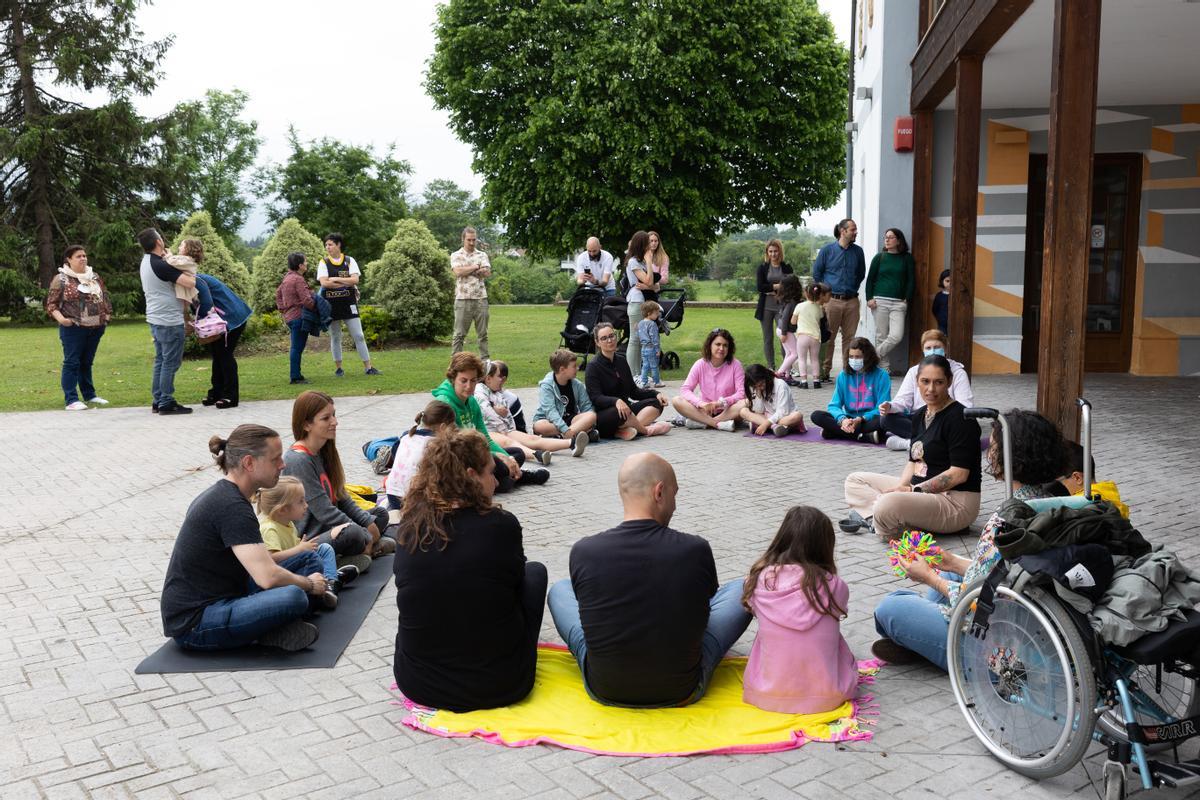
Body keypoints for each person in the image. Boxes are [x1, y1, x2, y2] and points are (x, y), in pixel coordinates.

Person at [547, 452, 751, 707]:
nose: (675, 506)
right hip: (682, 688)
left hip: (604, 688)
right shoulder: (694, 549)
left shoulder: (584, 550)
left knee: (559, 589)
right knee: (746, 588)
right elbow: (705, 609)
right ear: (659, 492)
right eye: (674, 495)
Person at [872, 410, 1067, 668]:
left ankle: (933, 646)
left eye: (994, 447)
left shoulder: (1006, 519)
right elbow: (1001, 573)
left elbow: (978, 599)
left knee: (891, 607)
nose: (989, 453)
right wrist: (951, 561)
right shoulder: (1053, 503)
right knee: (953, 573)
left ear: (1009, 457)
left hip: (997, 645)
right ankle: (924, 638)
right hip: (1029, 616)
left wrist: (929, 577)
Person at [392, 429, 548, 712]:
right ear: (470, 475)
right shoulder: (501, 524)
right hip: (500, 684)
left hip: (419, 683)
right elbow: (514, 583)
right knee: (535, 574)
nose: (496, 480)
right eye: (490, 472)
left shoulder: (409, 527)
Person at [160, 425, 331, 652]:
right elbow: (267, 577)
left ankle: (277, 623)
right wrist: (309, 584)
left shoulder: (229, 496)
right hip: (195, 622)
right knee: (295, 596)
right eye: (275, 459)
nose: (283, 465)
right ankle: (268, 630)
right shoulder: (231, 506)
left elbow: (263, 566)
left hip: (232, 591)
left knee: (309, 559)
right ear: (249, 463)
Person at [842, 355, 981, 540]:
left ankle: (881, 521)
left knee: (887, 504)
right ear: (917, 382)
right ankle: (880, 521)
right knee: (854, 481)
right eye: (925, 381)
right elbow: (913, 462)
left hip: (953, 502)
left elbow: (958, 474)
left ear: (949, 381)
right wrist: (901, 487)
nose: (931, 389)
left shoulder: (961, 419)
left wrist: (911, 492)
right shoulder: (919, 415)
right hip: (919, 491)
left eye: (938, 382)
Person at [741, 506, 857, 713]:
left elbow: (753, 609)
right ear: (825, 546)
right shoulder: (836, 586)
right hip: (829, 696)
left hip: (765, 694)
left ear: (782, 539)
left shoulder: (757, 580)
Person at [282, 391, 393, 569]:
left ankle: (364, 549)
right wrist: (365, 532)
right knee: (353, 532)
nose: (335, 421)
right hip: (311, 538)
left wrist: (368, 523)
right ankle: (348, 556)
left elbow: (342, 497)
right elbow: (324, 511)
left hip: (332, 527)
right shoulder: (298, 460)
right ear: (306, 425)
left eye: (334, 415)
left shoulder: (324, 450)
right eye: (326, 418)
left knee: (379, 514)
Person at [432, 352, 549, 490]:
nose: (469, 386)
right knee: (498, 464)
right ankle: (517, 477)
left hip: (475, 456)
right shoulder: (445, 404)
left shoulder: (472, 401)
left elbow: (485, 438)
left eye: (473, 380)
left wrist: (507, 458)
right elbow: (456, 449)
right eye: (463, 380)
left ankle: (499, 481)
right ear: (453, 379)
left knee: (517, 454)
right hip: (456, 461)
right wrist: (495, 457)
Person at [257, 476, 360, 610]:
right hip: (285, 574)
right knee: (312, 558)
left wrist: (302, 546)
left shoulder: (288, 524)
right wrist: (299, 549)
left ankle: (330, 582)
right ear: (282, 509)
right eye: (301, 501)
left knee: (325, 548)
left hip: (296, 562)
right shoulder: (269, 528)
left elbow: (293, 547)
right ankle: (330, 582)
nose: (306, 505)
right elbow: (271, 559)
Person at [879, 329, 974, 451]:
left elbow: (966, 406)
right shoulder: (914, 371)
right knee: (886, 419)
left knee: (965, 428)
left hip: (946, 419)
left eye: (937, 347)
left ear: (945, 349)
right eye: (928, 348)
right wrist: (890, 407)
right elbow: (903, 400)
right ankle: (932, 442)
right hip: (921, 419)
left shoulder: (958, 373)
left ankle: (910, 444)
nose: (932, 351)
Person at [475, 358, 583, 462]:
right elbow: (486, 410)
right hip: (489, 432)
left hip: (504, 429)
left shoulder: (497, 393)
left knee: (532, 439)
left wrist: (511, 429)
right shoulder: (479, 389)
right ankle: (536, 455)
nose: (502, 379)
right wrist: (503, 427)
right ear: (488, 379)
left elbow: (507, 413)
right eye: (499, 376)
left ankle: (571, 443)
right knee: (509, 442)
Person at [46, 244, 113, 411]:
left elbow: (104, 297)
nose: (83, 258)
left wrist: (107, 316)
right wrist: (62, 320)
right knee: (72, 362)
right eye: (78, 256)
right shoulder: (61, 279)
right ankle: (71, 399)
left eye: (84, 255)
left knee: (86, 363)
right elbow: (51, 304)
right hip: (73, 328)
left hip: (95, 327)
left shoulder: (94, 276)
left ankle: (90, 395)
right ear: (69, 259)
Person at [138, 227, 196, 415]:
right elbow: (190, 283)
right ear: (158, 242)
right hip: (169, 320)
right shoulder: (161, 266)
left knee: (161, 360)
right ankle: (166, 401)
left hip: (155, 317)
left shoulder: (147, 261)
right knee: (170, 362)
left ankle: (158, 399)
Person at [585, 323, 671, 440]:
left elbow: (634, 391)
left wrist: (657, 394)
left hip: (627, 411)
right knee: (621, 413)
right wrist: (616, 401)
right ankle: (645, 430)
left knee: (656, 403)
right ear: (597, 342)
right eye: (604, 338)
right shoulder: (593, 366)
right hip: (606, 414)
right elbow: (595, 397)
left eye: (612, 336)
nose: (610, 340)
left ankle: (628, 430)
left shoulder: (621, 360)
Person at [318, 232, 380, 377]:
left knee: (359, 335)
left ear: (338, 245)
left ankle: (368, 367)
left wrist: (334, 279)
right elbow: (324, 283)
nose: (327, 247)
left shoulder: (349, 260)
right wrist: (343, 281)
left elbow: (355, 281)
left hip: (349, 304)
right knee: (335, 336)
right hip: (331, 305)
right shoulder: (323, 262)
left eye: (330, 244)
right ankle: (339, 368)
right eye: (326, 245)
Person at [812, 219, 867, 382]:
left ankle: (847, 371)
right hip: (832, 301)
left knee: (849, 339)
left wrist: (851, 288)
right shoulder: (827, 251)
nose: (855, 232)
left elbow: (860, 274)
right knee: (828, 337)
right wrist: (826, 293)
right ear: (843, 231)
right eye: (853, 229)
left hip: (852, 301)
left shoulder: (858, 252)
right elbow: (817, 274)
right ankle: (824, 371)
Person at [810, 337, 891, 443]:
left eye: (858, 357)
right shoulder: (843, 376)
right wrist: (842, 419)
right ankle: (863, 436)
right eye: (851, 357)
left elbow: (882, 408)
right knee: (816, 416)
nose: (854, 360)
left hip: (869, 419)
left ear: (867, 357)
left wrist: (861, 419)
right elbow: (834, 405)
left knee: (886, 419)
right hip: (849, 418)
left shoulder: (882, 376)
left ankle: (835, 432)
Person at [385, 400, 458, 510]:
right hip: (414, 501)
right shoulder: (436, 444)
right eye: (452, 428)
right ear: (443, 427)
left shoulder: (406, 436)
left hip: (392, 495)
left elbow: (396, 456)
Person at [671, 328, 745, 431]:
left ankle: (703, 423)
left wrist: (721, 403)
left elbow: (741, 393)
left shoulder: (736, 365)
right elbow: (685, 389)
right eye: (718, 344)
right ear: (710, 345)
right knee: (676, 400)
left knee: (746, 402)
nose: (721, 348)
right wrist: (701, 404)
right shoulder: (700, 364)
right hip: (704, 411)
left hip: (727, 411)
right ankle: (717, 424)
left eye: (725, 345)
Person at [865, 228, 916, 373]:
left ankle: (871, 355)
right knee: (881, 336)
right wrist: (869, 298)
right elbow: (870, 280)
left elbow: (911, 280)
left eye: (891, 237)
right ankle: (885, 369)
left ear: (899, 240)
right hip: (879, 301)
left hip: (898, 303)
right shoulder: (879, 257)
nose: (887, 240)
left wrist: (906, 298)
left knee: (896, 336)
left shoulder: (907, 258)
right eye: (885, 237)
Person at [623, 230, 669, 376]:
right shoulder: (633, 262)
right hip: (636, 302)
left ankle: (638, 375)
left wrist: (649, 283)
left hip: (643, 302)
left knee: (641, 338)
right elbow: (650, 280)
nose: (650, 246)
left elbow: (655, 286)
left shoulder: (641, 262)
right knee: (635, 339)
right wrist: (649, 262)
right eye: (647, 243)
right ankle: (633, 374)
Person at [533, 349, 600, 448]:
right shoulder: (547, 386)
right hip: (550, 421)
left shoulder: (577, 385)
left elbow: (586, 407)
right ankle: (576, 435)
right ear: (562, 369)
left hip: (571, 420)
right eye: (574, 366)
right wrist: (566, 429)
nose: (577, 368)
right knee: (539, 426)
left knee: (591, 415)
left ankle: (560, 438)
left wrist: (589, 423)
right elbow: (550, 412)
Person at [450, 226, 491, 359]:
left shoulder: (482, 255)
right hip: (463, 299)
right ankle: (456, 363)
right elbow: (458, 272)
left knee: (483, 334)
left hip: (481, 299)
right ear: (463, 239)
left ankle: (485, 362)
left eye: (474, 240)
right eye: (469, 240)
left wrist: (468, 270)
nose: (472, 243)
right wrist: (475, 267)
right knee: (459, 335)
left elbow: (487, 272)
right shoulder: (456, 255)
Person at [276, 252, 317, 385]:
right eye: (305, 262)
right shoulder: (298, 279)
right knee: (297, 348)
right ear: (300, 265)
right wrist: (316, 306)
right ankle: (295, 376)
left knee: (296, 347)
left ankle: (296, 374)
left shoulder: (286, 278)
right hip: (299, 317)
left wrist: (283, 310)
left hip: (290, 317)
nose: (307, 264)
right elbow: (306, 300)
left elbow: (278, 295)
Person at [754, 239, 794, 371]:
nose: (773, 254)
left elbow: (791, 285)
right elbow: (760, 287)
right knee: (768, 338)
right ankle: (771, 367)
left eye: (775, 251)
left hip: (782, 307)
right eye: (770, 251)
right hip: (766, 306)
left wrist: (771, 287)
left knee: (784, 337)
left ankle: (786, 366)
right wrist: (777, 286)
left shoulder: (787, 267)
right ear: (767, 252)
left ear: (780, 251)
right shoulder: (762, 268)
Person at [735, 363, 806, 437]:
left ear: (765, 377)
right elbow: (759, 411)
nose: (760, 388)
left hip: (784, 416)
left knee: (797, 416)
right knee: (743, 411)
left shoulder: (780, 385)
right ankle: (775, 427)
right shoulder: (757, 388)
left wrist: (766, 423)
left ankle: (764, 424)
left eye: (761, 384)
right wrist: (758, 395)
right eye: (756, 387)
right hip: (769, 416)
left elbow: (783, 412)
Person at [793, 281, 832, 389]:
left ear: (806, 293)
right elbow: (819, 321)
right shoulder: (819, 308)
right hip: (815, 337)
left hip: (802, 336)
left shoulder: (799, 306)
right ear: (819, 294)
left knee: (802, 359)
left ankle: (804, 381)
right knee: (814, 359)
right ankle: (816, 381)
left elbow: (793, 321)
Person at [773, 274, 804, 385]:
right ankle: (779, 374)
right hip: (785, 330)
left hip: (781, 329)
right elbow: (786, 317)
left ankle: (787, 376)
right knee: (795, 353)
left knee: (789, 353)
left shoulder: (788, 300)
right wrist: (784, 333)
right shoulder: (791, 302)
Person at [637, 301, 663, 389]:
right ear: (649, 313)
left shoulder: (640, 323)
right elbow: (654, 338)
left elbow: (639, 335)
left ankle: (644, 382)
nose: (657, 315)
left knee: (645, 365)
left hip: (643, 348)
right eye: (656, 313)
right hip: (651, 348)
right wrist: (657, 349)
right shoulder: (652, 324)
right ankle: (657, 382)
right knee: (654, 366)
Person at [932, 269, 951, 334]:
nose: (950, 283)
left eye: (952, 281)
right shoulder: (939, 296)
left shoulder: (957, 297)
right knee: (942, 339)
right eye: (947, 281)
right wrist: (940, 318)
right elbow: (934, 309)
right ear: (942, 281)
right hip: (942, 325)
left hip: (956, 325)